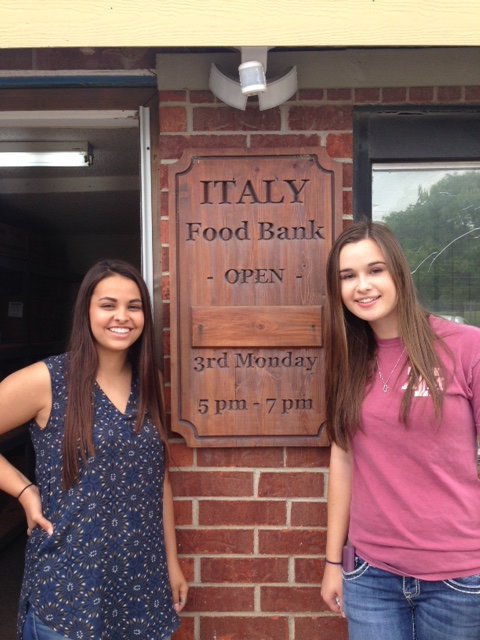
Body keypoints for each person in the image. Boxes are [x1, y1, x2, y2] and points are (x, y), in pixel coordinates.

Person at [0, 259, 188, 640]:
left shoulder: (149, 382)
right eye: (108, 304)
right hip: (68, 593)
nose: (122, 316)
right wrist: (23, 490)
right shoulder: (47, 380)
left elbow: (159, 481)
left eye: (133, 306)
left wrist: (172, 563)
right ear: (86, 309)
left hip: (141, 589)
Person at [320, 221, 480, 640]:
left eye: (375, 270)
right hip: (371, 576)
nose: (362, 286)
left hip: (460, 578)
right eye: (348, 276)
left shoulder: (465, 347)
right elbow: (342, 458)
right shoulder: (348, 361)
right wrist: (333, 562)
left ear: (399, 273)